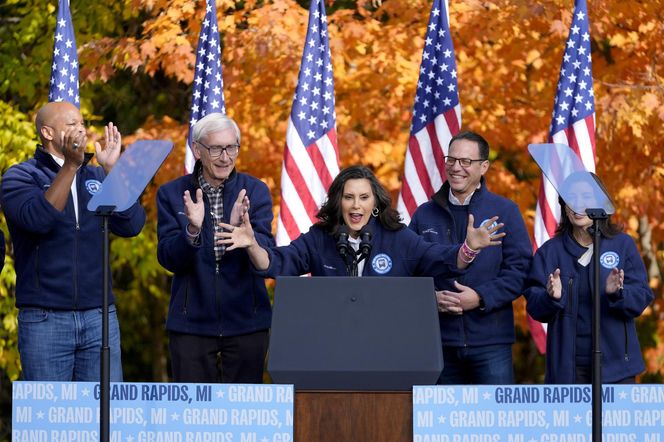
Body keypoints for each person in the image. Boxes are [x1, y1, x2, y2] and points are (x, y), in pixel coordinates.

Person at [0, 101, 146, 381]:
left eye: (82, 124)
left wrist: (113, 171)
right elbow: (40, 220)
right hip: (45, 320)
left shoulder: (96, 175)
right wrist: (70, 166)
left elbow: (132, 225)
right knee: (49, 416)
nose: (81, 130)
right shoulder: (21, 176)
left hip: (99, 317)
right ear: (48, 133)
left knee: (104, 416)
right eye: (71, 125)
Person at [218, 165, 505, 279]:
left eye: (364, 198)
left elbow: (439, 259)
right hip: (332, 345)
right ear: (338, 202)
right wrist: (253, 244)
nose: (356, 205)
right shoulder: (319, 237)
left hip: (388, 347)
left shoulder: (398, 238)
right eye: (349, 197)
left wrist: (468, 247)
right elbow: (279, 263)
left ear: (375, 203)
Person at [156, 113, 274, 384]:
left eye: (232, 147)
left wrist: (242, 236)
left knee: (245, 413)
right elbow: (168, 258)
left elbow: (267, 257)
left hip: (247, 321)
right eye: (216, 149)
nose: (225, 157)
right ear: (197, 150)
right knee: (193, 416)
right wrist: (192, 230)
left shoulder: (255, 191)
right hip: (191, 325)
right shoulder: (172, 194)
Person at [409, 131, 532, 385]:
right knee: (440, 423)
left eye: (466, 161)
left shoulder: (504, 211)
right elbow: (409, 270)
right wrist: (430, 298)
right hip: (438, 343)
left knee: (495, 421)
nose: (456, 168)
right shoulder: (424, 215)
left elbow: (520, 271)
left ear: (484, 166)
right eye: (451, 160)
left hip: (491, 343)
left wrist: (480, 297)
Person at [524, 172, 653, 384]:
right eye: (570, 198)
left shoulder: (622, 245)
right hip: (568, 370)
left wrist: (618, 293)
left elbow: (641, 297)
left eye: (586, 197)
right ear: (564, 205)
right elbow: (534, 306)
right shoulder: (550, 252)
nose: (578, 204)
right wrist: (551, 297)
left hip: (617, 367)